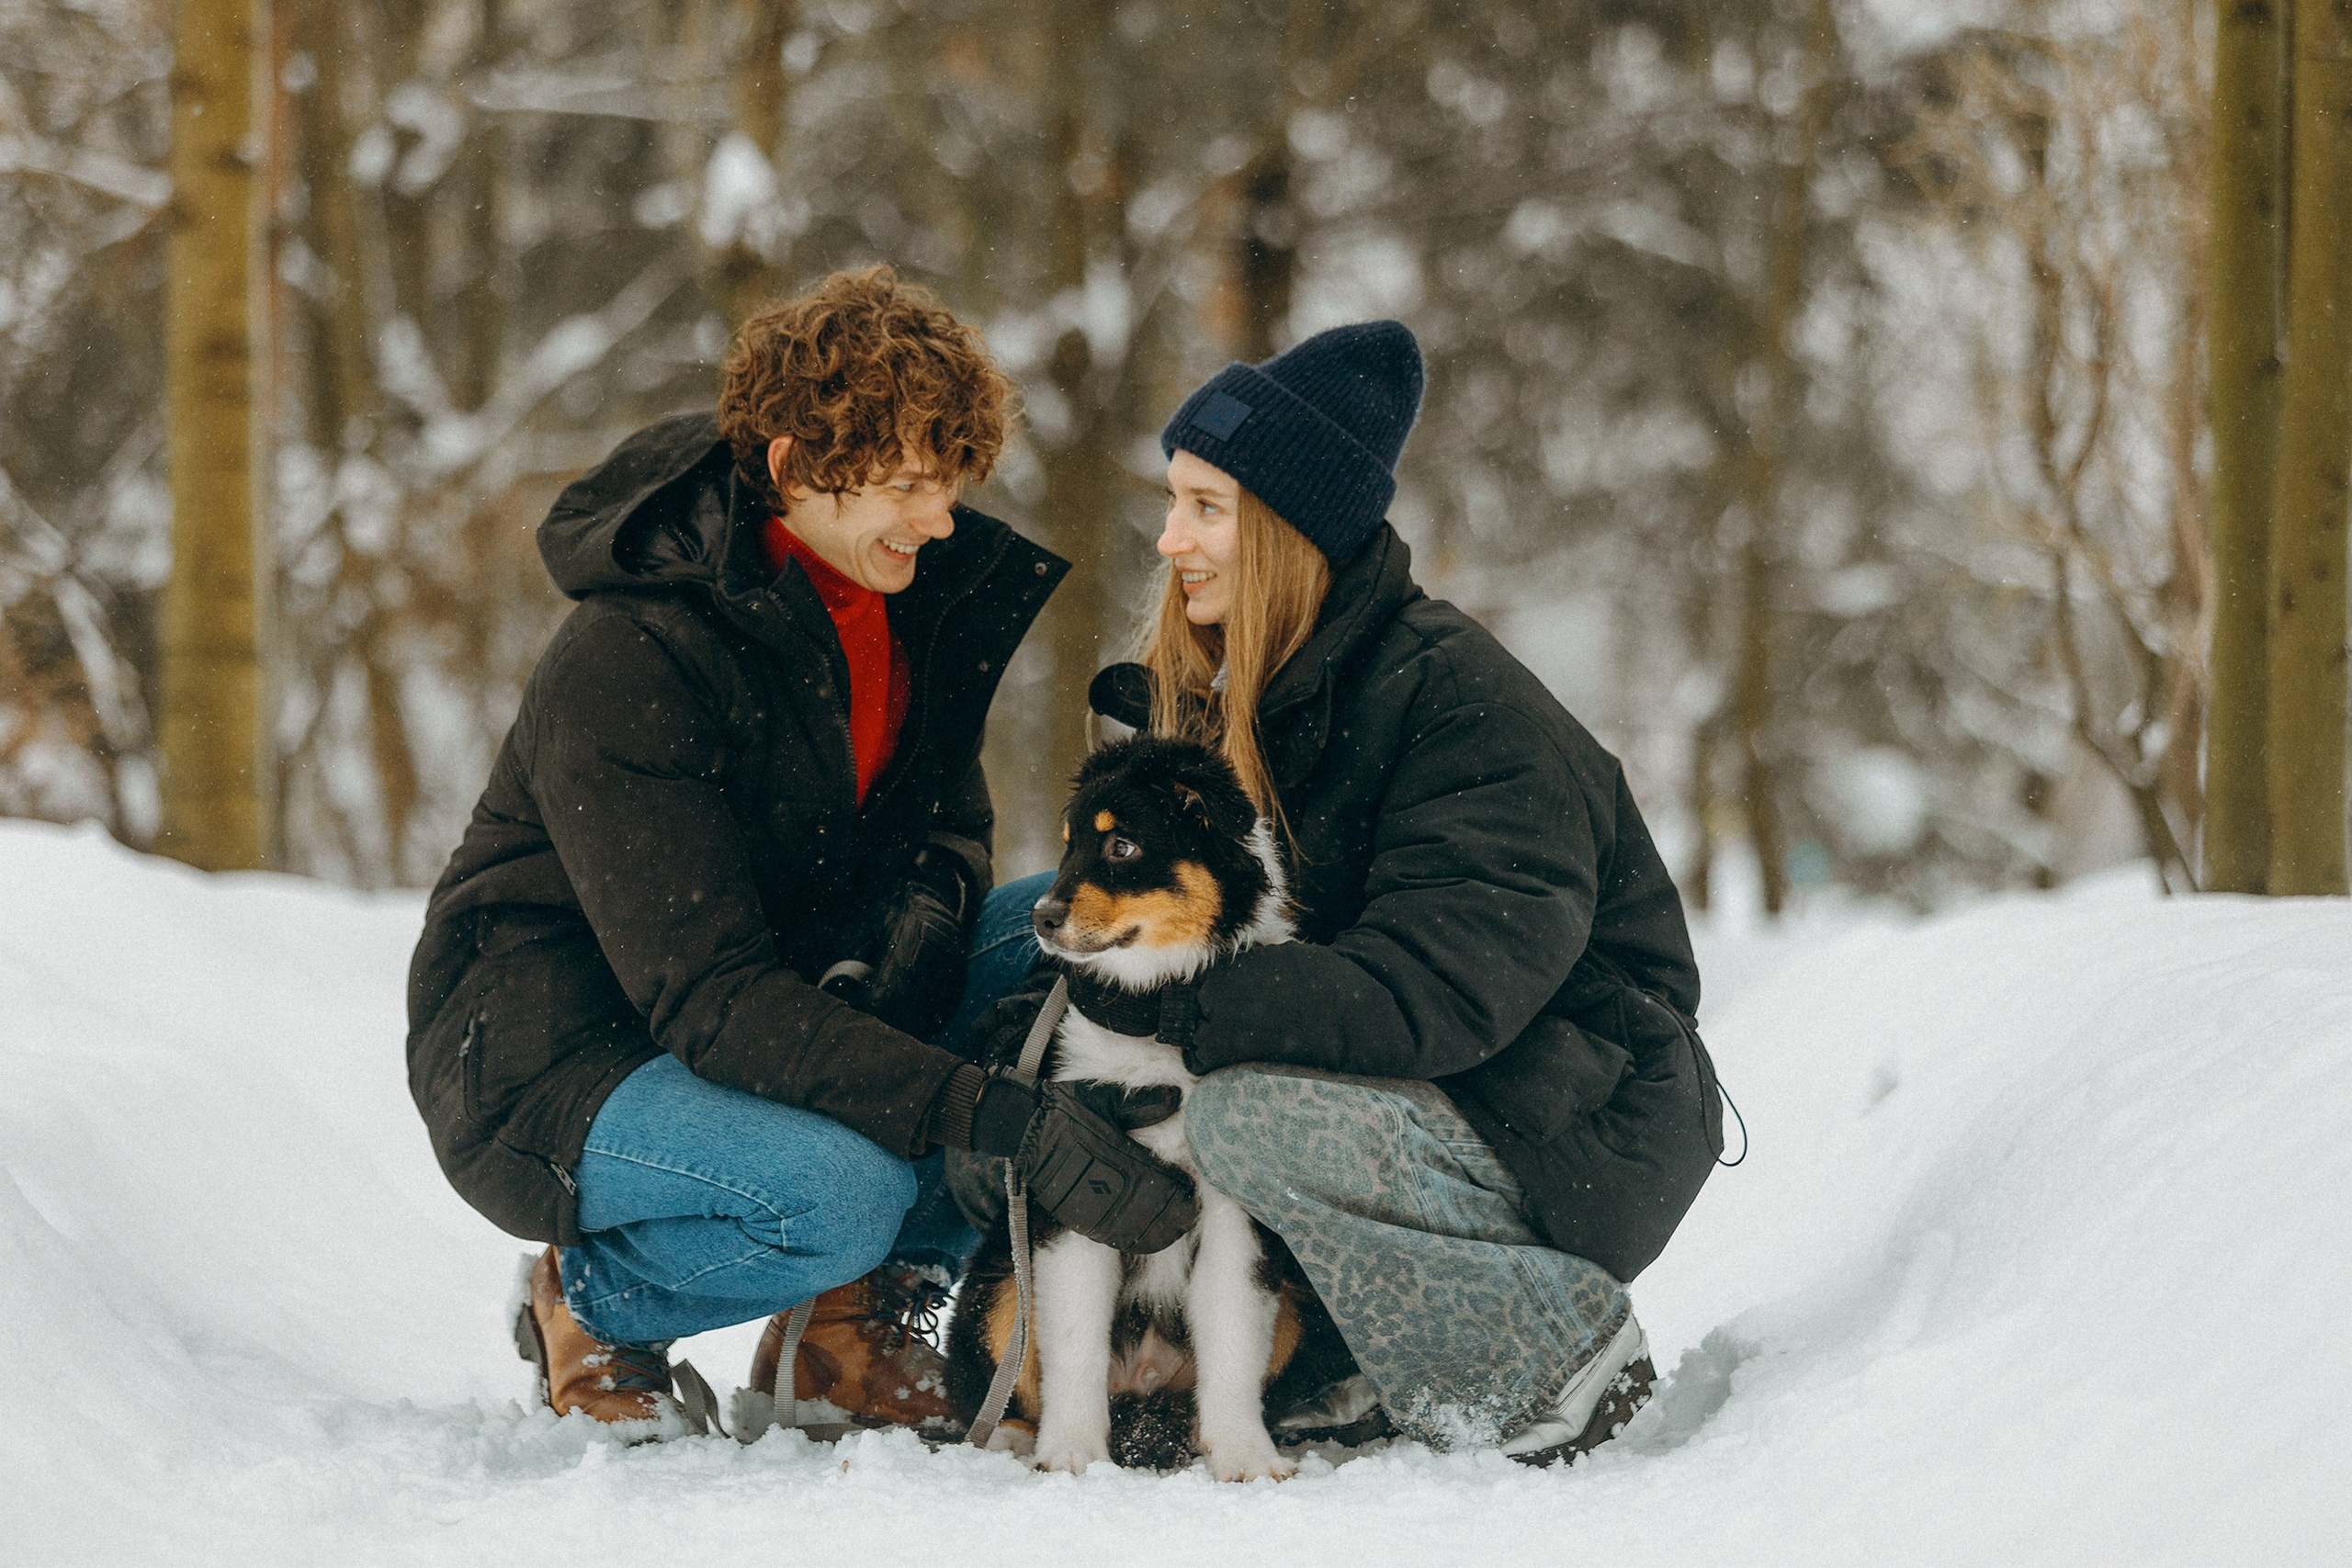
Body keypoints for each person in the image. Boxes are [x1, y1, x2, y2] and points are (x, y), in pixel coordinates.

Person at [405, 266, 1194, 1436]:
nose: (939, 521)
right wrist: (987, 1110)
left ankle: (849, 1322)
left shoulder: (908, 599)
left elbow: (950, 829)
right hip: (559, 1046)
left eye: (950, 483)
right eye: (909, 486)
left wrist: (923, 927)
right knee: (840, 1191)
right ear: (790, 468)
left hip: (778, 991)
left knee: (1066, 942)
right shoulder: (629, 656)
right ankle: (593, 1301)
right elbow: (711, 998)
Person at [1005, 320, 1725, 1463]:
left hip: (1576, 1117)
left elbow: (1434, 993)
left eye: (1205, 508)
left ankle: (1554, 1350)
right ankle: (1339, 1356)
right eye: (1170, 500)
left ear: (1289, 530)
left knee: (1240, 1116)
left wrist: (1172, 1021)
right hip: (1459, 1094)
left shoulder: (1461, 706)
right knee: (1018, 937)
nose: (1168, 538)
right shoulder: (1261, 685)